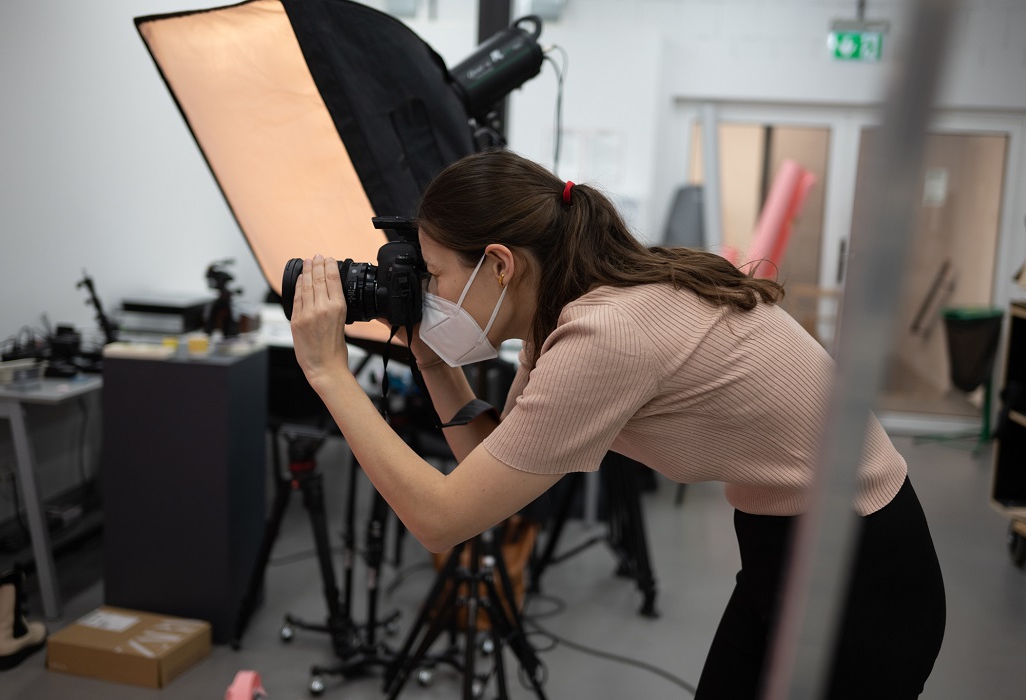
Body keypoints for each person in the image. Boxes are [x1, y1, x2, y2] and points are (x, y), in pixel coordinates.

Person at [289, 148, 946, 699]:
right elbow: (490, 469)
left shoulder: (606, 334)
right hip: (785, 547)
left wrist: (328, 373)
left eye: (432, 276)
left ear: (498, 263)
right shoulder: (565, 318)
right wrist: (435, 365)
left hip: (863, 575)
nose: (424, 296)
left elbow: (441, 519)